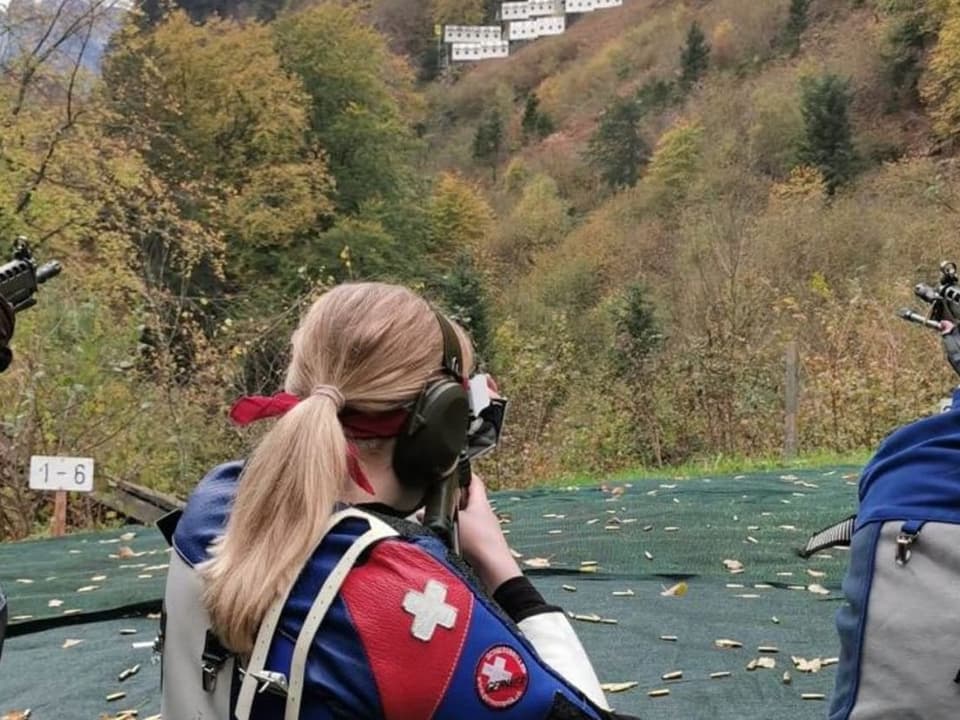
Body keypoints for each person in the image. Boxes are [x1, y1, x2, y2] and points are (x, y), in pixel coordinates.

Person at [161, 282, 636, 720]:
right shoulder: (396, 604)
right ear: (441, 424)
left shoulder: (215, 501)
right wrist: (500, 569)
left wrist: (410, 537)